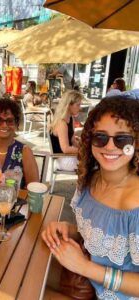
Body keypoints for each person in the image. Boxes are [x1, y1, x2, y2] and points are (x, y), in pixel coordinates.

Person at [42, 97, 139, 299]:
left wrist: (85, 267)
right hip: (84, 287)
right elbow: (101, 235)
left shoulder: (135, 203)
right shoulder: (89, 180)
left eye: (122, 139)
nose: (110, 147)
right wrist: (70, 229)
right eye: (101, 137)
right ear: (90, 139)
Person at [49, 90, 83, 171]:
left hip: (68, 156)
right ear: (69, 105)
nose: (80, 108)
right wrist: (84, 151)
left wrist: (84, 145)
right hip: (62, 159)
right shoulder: (62, 123)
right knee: (94, 163)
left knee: (96, 159)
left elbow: (73, 141)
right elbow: (66, 149)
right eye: (78, 105)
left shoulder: (71, 119)